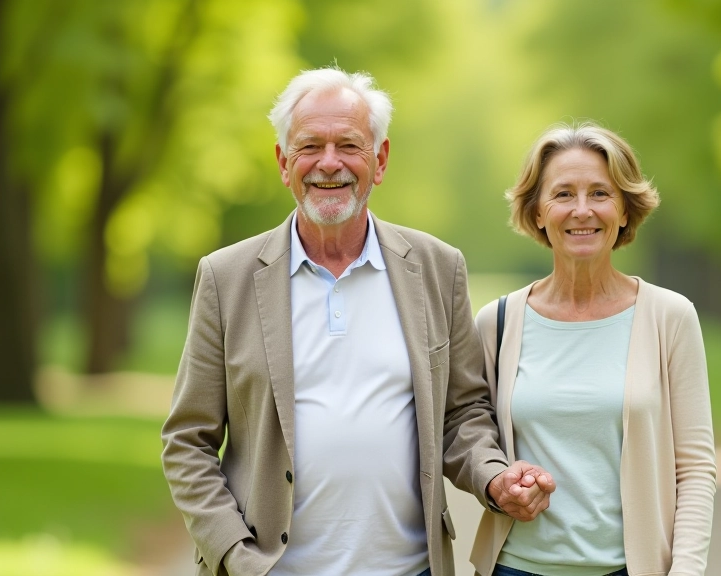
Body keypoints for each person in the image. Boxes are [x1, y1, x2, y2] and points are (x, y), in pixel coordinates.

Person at [161, 67, 555, 576]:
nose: (329, 163)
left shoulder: (438, 268)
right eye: (310, 147)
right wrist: (236, 554)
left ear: (380, 159)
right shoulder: (226, 277)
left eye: (349, 144)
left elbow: (462, 416)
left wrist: (495, 479)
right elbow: (187, 441)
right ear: (284, 163)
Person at [469, 123, 716, 576]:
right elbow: (469, 434)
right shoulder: (498, 323)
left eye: (600, 193)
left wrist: (685, 571)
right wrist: (499, 481)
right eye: (563, 195)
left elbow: (696, 470)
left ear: (625, 211)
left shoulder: (670, 317)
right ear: (538, 212)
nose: (582, 211)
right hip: (516, 568)